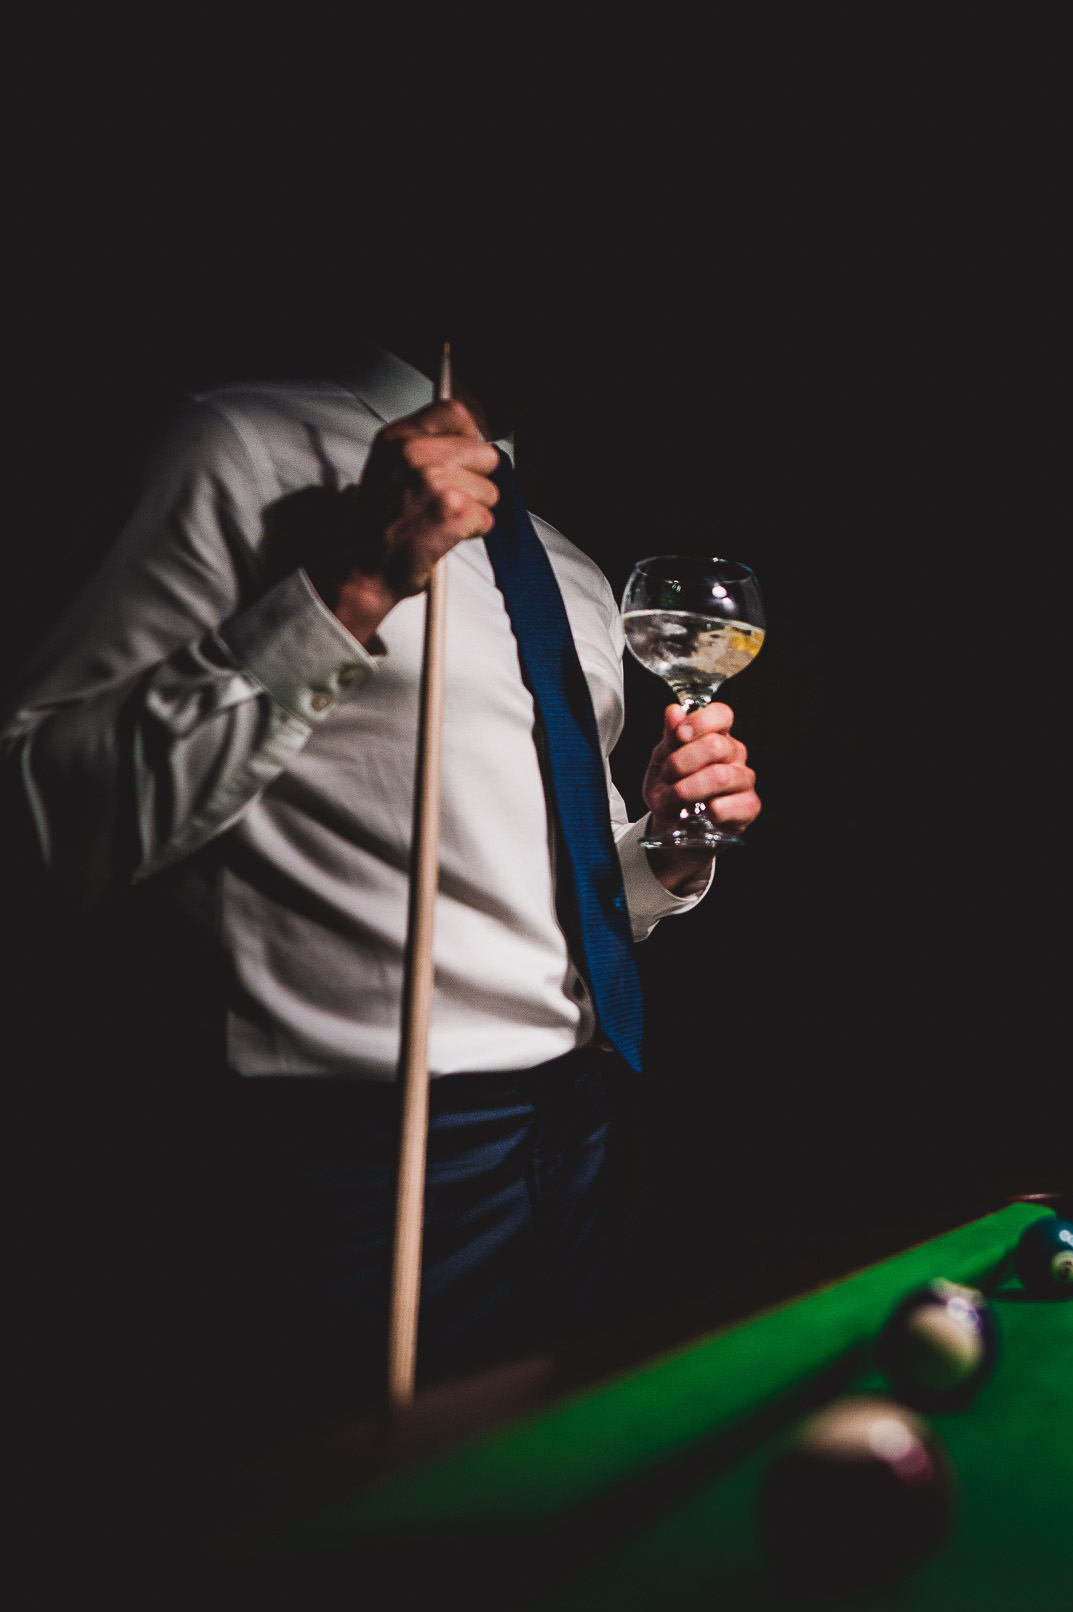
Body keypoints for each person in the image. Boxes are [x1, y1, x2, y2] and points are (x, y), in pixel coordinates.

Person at [3, 343, 760, 1430]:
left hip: (577, 1133)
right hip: (351, 1162)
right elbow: (37, 820)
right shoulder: (237, 447)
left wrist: (660, 859)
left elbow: (531, 901)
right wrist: (351, 584)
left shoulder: (575, 572)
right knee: (354, 1564)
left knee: (539, 1536)